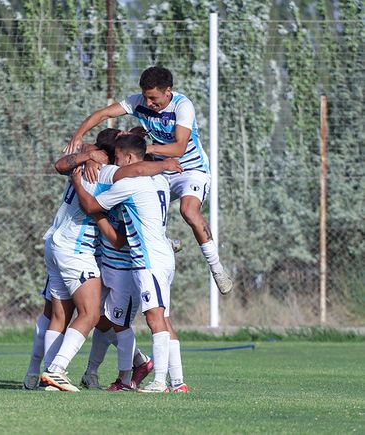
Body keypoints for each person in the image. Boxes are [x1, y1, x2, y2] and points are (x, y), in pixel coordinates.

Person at [68, 66, 233, 295]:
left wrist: (141, 146)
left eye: (153, 98)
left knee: (188, 211)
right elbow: (103, 114)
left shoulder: (182, 106)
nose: (148, 102)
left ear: (168, 91)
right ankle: (164, 244)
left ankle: (217, 268)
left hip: (190, 169)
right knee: (131, 201)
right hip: (162, 169)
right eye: (145, 96)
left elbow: (179, 147)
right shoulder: (139, 102)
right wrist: (79, 137)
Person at [39, 130, 181, 392]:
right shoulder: (121, 175)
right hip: (94, 256)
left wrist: (85, 157)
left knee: (92, 318)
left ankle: (65, 373)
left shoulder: (93, 169)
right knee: (98, 317)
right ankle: (59, 372)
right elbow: (105, 215)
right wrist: (163, 163)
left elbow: (63, 166)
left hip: (84, 252)